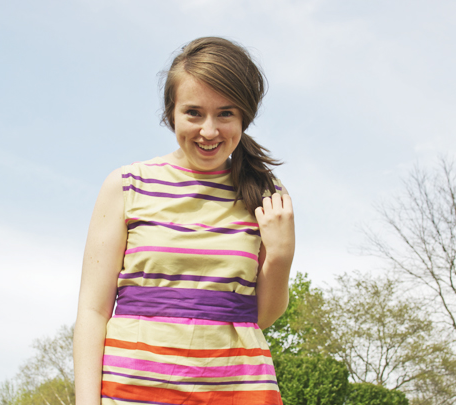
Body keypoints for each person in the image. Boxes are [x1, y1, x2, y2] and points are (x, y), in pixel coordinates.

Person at [73, 37, 295, 405]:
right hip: (131, 393)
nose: (209, 131)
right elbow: (93, 311)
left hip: (237, 391)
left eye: (225, 114)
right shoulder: (127, 185)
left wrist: (281, 255)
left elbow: (262, 317)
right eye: (194, 113)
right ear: (171, 112)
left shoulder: (266, 193)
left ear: (244, 116)